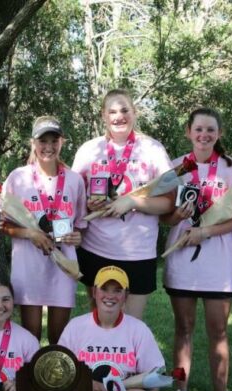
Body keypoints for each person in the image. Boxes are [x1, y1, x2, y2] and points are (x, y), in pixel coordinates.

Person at [162, 108, 232, 391]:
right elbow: (163, 216)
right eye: (198, 129)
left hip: (219, 258)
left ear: (219, 133)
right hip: (182, 255)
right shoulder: (175, 167)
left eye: (210, 130)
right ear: (188, 132)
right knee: (183, 328)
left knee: (218, 330)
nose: (204, 135)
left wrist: (207, 231)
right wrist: (178, 216)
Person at [72, 89, 174, 319]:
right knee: (100, 321)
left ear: (135, 113)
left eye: (125, 110)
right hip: (96, 249)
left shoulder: (153, 149)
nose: (119, 116)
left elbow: (168, 203)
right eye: (113, 111)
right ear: (103, 116)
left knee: (131, 325)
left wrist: (132, 201)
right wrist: (89, 205)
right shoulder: (89, 149)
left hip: (138, 252)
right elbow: (73, 199)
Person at [58, 266, 167, 391]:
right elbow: (59, 374)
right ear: (94, 292)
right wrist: (86, 385)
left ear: (126, 295)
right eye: (104, 289)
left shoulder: (138, 329)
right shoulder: (76, 326)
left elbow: (158, 374)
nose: (110, 296)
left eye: (117, 290)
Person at [1, 116, 86, 344]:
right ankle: (29, 381)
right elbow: (2, 224)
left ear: (62, 142)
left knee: (59, 340)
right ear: (33, 143)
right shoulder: (18, 178)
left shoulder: (75, 180)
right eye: (42, 141)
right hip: (29, 266)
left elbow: (80, 225)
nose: (48, 147)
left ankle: (55, 380)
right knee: (30, 339)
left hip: (63, 265)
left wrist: (78, 236)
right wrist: (30, 233)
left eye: (54, 140)